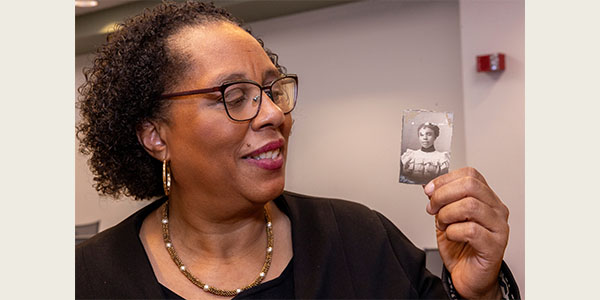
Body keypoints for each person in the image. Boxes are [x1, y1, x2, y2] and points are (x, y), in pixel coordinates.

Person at [75, 1, 520, 299]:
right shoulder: (84, 279)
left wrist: (478, 294)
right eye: (234, 97)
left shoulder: (362, 242)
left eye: (274, 89)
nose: (273, 114)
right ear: (156, 136)